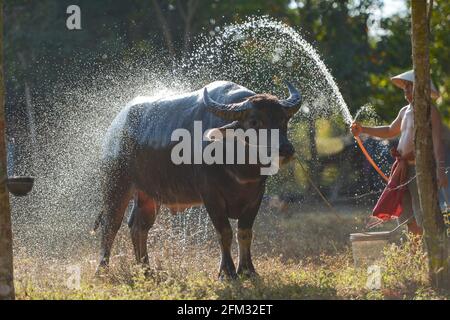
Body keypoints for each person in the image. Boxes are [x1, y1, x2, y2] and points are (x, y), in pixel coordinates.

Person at [351, 70, 448, 235]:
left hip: (421, 170)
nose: (406, 90)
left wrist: (440, 170)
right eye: (406, 86)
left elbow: (437, 142)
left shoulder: (430, 111)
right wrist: (363, 129)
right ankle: (415, 253)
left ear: (422, 89)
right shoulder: (404, 111)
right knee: (407, 216)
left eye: (411, 87)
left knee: (423, 214)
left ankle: (430, 253)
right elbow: (390, 130)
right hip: (402, 169)